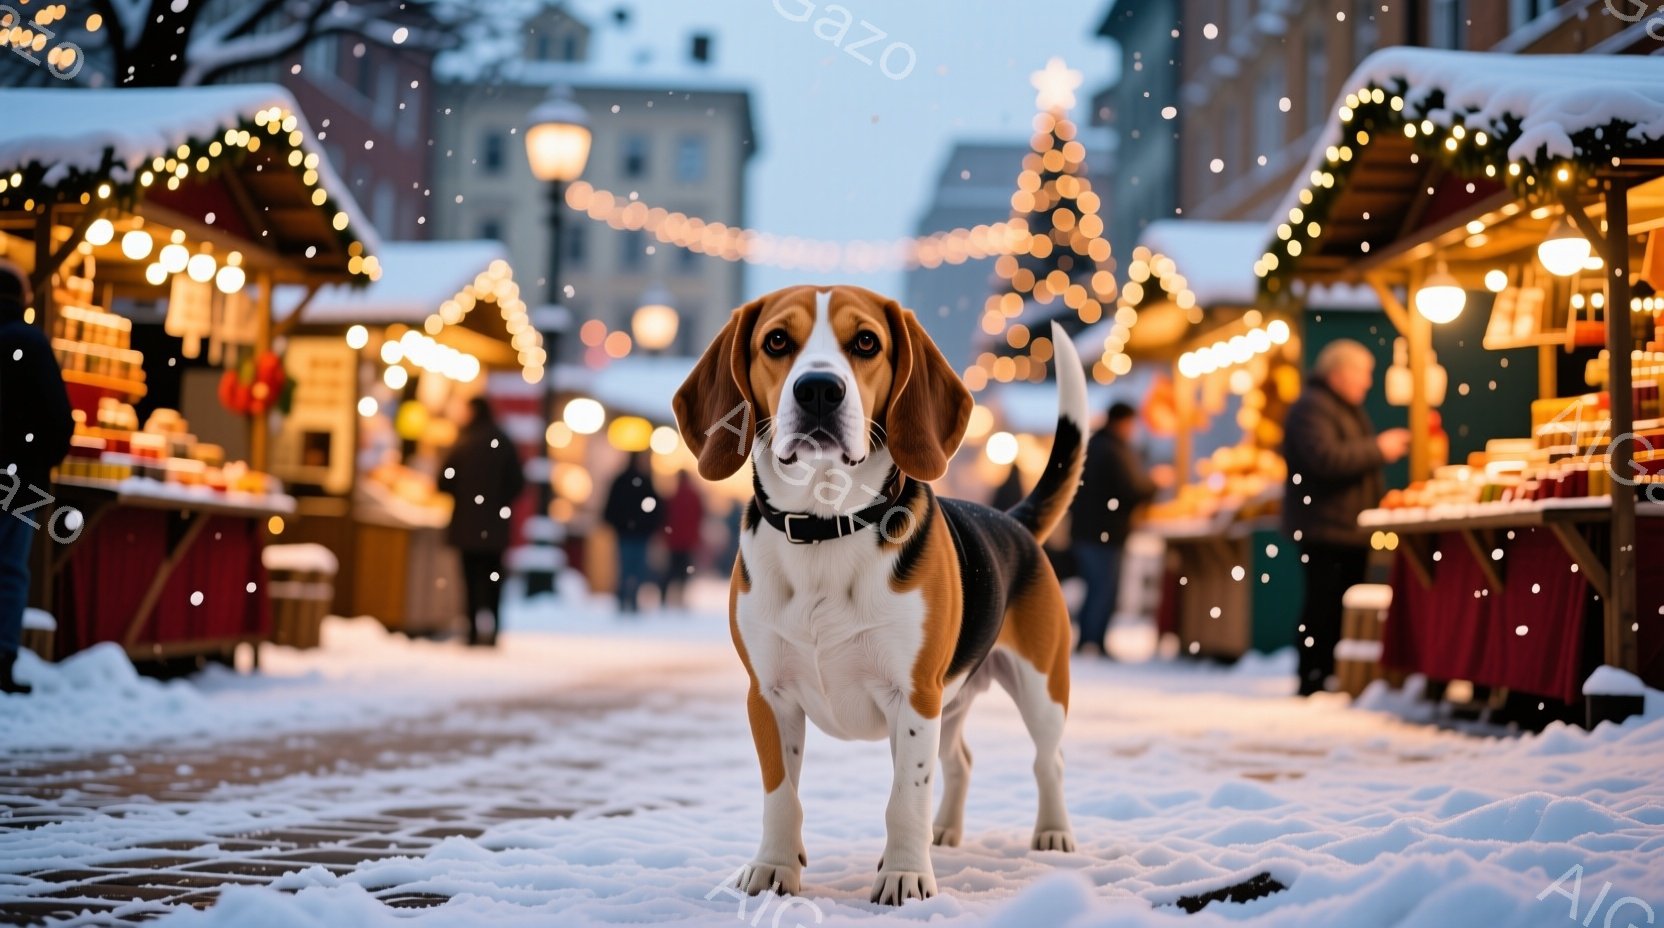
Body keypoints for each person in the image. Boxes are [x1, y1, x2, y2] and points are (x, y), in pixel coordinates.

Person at [1281, 339, 1410, 696]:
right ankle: (1313, 677)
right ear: (1338, 374)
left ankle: (1327, 674)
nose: (1367, 382)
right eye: (1363, 374)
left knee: (1334, 606)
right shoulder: (1313, 409)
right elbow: (1326, 460)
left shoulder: (1336, 407)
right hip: (1326, 528)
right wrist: (1378, 449)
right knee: (1323, 605)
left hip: (1342, 526)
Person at [0, 262, 73, 694]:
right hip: (22, 481)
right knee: (10, 568)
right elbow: (58, 419)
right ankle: (3, 659)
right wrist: (40, 463)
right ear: (23, 299)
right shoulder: (31, 342)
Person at [1069, 401, 1158, 657]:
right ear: (1123, 422)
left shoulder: (1095, 446)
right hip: (1104, 532)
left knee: (1095, 586)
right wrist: (1153, 484)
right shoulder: (1114, 451)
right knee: (1103, 588)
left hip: (1088, 530)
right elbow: (1130, 489)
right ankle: (1094, 641)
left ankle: (1088, 638)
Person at [438, 396, 525, 646]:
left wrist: (465, 497)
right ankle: (495, 629)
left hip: (466, 526)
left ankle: (473, 632)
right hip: (495, 527)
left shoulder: (463, 442)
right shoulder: (503, 441)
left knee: (470, 579)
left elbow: (444, 480)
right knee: (494, 580)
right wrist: (498, 502)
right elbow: (517, 483)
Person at [603, 452, 662, 614]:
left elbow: (611, 507)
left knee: (625, 568)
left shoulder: (621, 481)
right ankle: (631, 599)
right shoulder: (645, 482)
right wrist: (650, 526)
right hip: (639, 534)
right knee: (637, 569)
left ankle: (623, 599)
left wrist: (617, 524)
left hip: (626, 533)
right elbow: (655, 508)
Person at [661, 470, 705, 610]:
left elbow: (666, 517)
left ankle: (666, 597)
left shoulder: (673, 496)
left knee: (671, 569)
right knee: (684, 570)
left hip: (674, 540)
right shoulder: (694, 496)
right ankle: (680, 597)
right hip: (688, 540)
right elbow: (700, 516)